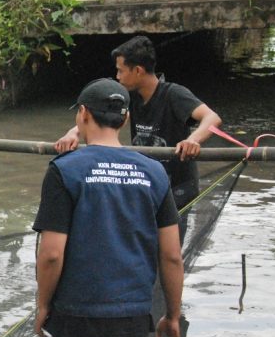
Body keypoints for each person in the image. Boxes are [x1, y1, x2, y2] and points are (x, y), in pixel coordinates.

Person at [34, 78, 185, 337]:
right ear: (126, 119)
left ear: (83, 114)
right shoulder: (154, 173)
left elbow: (51, 253)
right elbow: (171, 255)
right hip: (132, 315)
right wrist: (172, 315)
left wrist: (42, 305)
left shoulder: (65, 170)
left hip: (80, 316)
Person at [55, 35, 222, 209]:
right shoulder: (128, 96)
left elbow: (212, 118)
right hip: (146, 180)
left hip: (177, 186)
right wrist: (73, 133)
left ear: (137, 71)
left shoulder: (173, 94)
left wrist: (192, 140)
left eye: (121, 71)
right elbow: (99, 116)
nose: (117, 76)